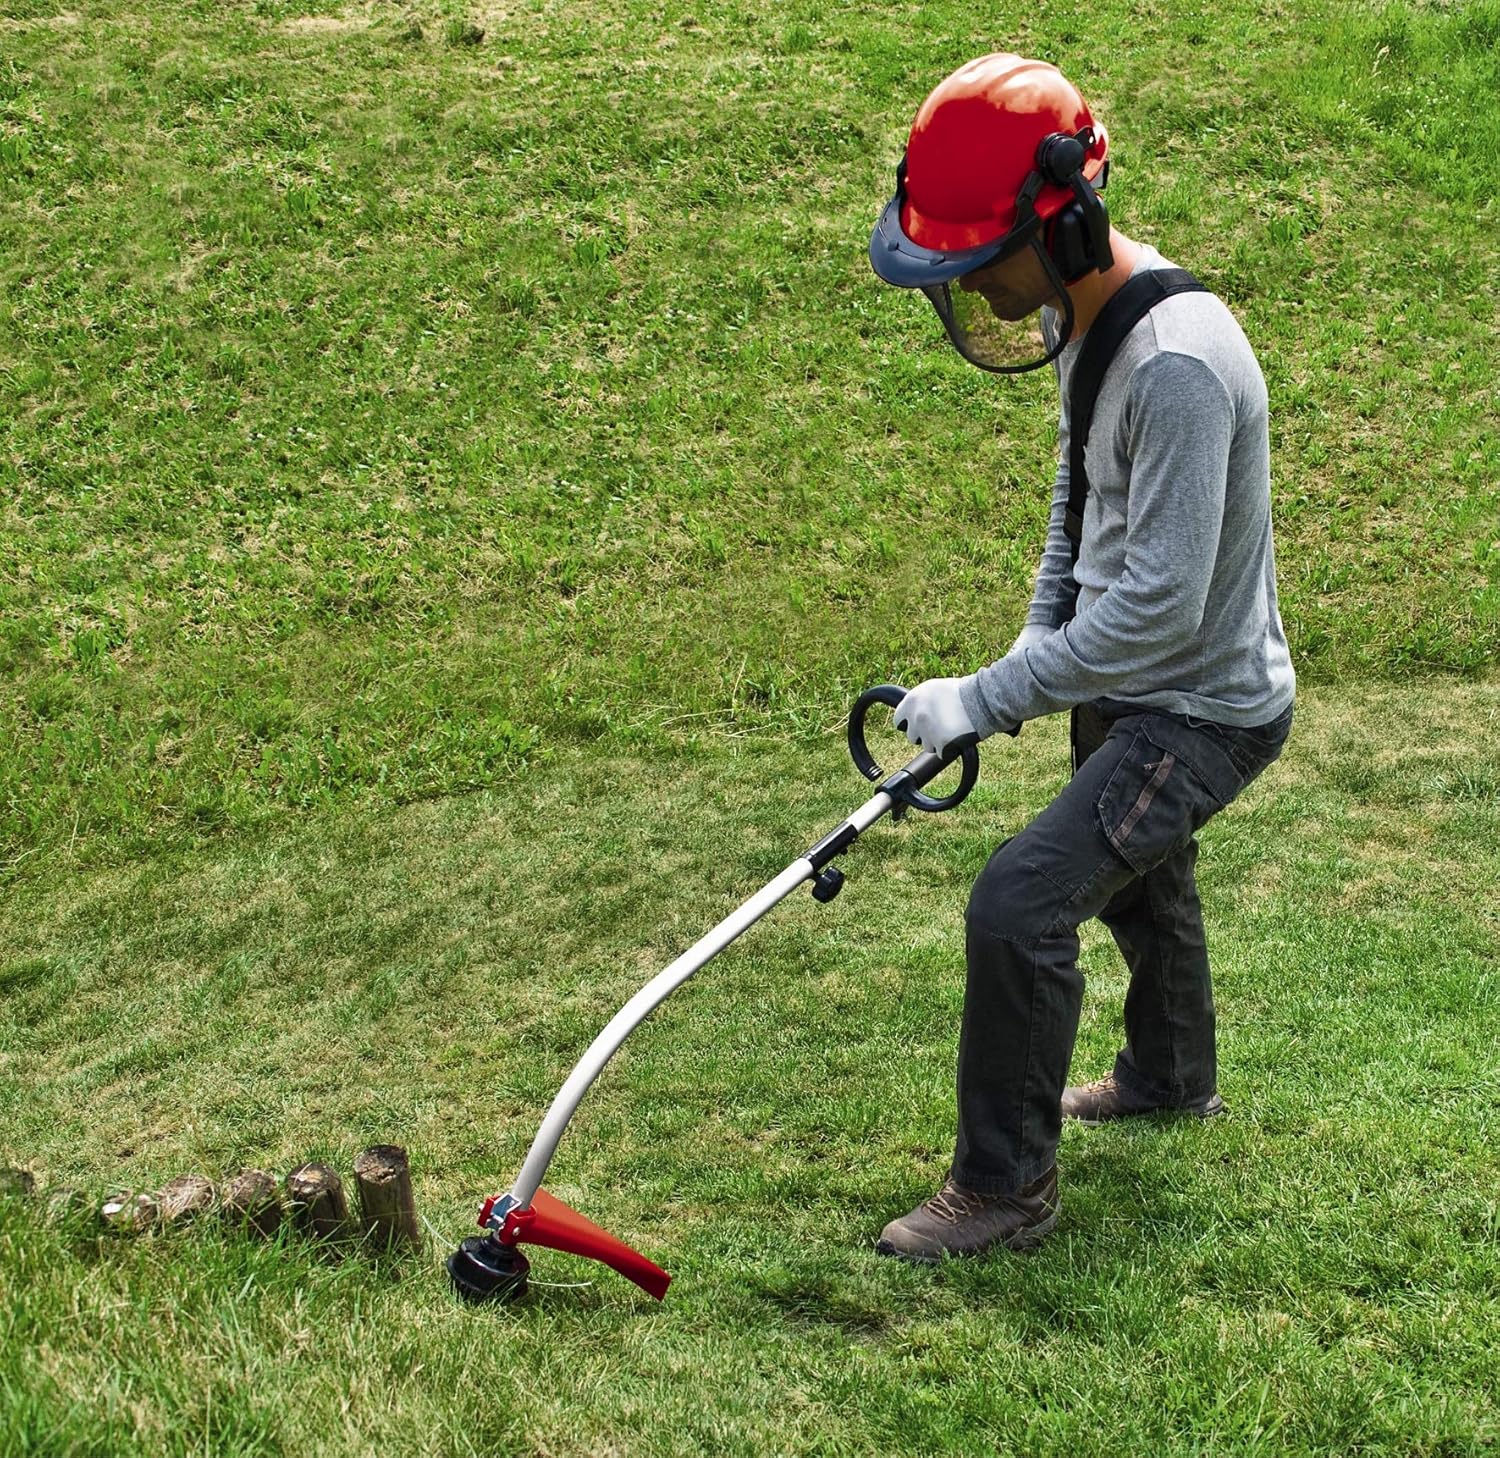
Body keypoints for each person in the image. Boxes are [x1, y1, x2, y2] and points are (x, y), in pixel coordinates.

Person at [866, 54, 1296, 1261]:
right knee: (1145, 884)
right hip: (1127, 681)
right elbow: (1076, 509)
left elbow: (1158, 609)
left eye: (975, 261)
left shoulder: (1178, 366)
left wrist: (992, 697)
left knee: (1022, 900)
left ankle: (1002, 1190)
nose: (968, 285)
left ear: (1065, 222)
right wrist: (1025, 652)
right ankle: (1169, 1076)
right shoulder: (1080, 320)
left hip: (1203, 706)